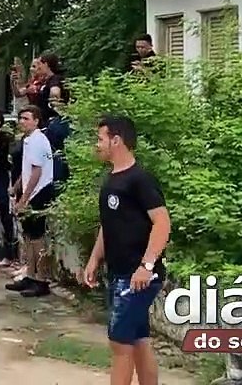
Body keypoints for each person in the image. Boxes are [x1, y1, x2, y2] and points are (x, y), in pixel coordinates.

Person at [81, 115, 171, 385]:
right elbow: (108, 225)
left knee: (120, 345)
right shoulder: (111, 179)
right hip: (119, 272)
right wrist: (95, 258)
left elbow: (163, 223)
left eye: (100, 139)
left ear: (116, 140)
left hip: (137, 277)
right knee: (138, 341)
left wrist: (146, 267)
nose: (97, 145)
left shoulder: (140, 179)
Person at [8, 105, 56, 297]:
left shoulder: (38, 140)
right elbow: (26, 169)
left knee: (37, 239)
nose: (22, 122)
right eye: (21, 118)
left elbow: (37, 171)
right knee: (28, 237)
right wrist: (17, 186)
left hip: (39, 192)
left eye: (26, 118)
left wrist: (24, 199)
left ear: (36, 120)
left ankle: (41, 279)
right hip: (31, 190)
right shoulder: (28, 140)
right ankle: (30, 274)